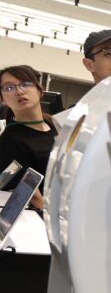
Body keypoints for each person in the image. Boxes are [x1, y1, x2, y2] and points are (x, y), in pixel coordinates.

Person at [0, 65, 55, 209]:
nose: (19, 91)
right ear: (2, 99)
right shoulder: (9, 142)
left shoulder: (56, 125)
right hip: (50, 215)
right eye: (9, 88)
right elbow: (35, 198)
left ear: (40, 90)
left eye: (25, 84)